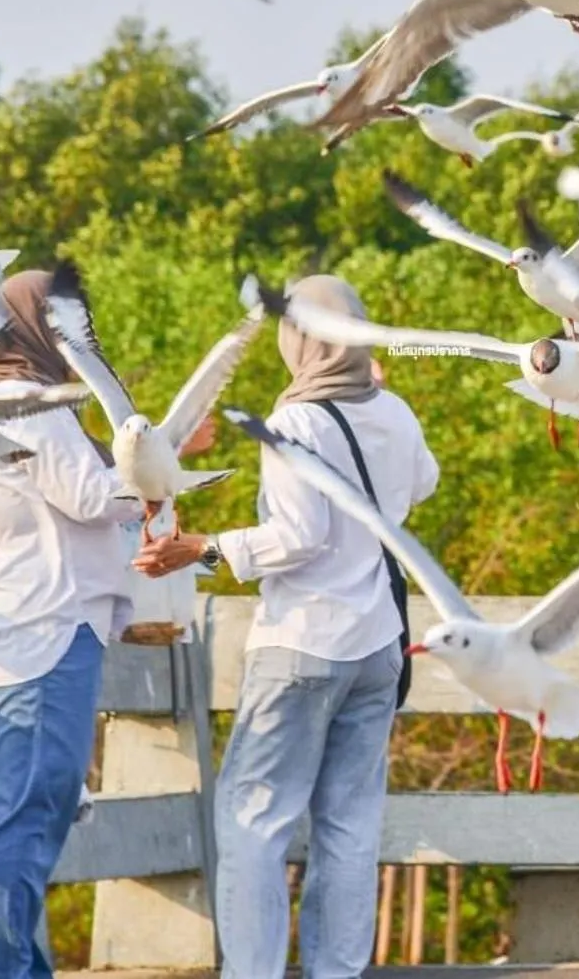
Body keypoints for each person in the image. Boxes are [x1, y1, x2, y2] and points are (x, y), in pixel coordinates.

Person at [136, 275, 439, 979]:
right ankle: (336, 970)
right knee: (349, 825)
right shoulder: (394, 411)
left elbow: (298, 536)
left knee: (252, 820)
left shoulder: (294, 422)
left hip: (304, 641)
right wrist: (379, 396)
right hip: (376, 649)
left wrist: (205, 546)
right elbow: (421, 484)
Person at [0, 270, 155, 979]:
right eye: (64, 323)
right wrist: (160, 466)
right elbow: (97, 496)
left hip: (4, 642)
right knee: (23, 817)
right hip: (47, 638)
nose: (76, 338)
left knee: (18, 814)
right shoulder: (35, 407)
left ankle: (14, 969)